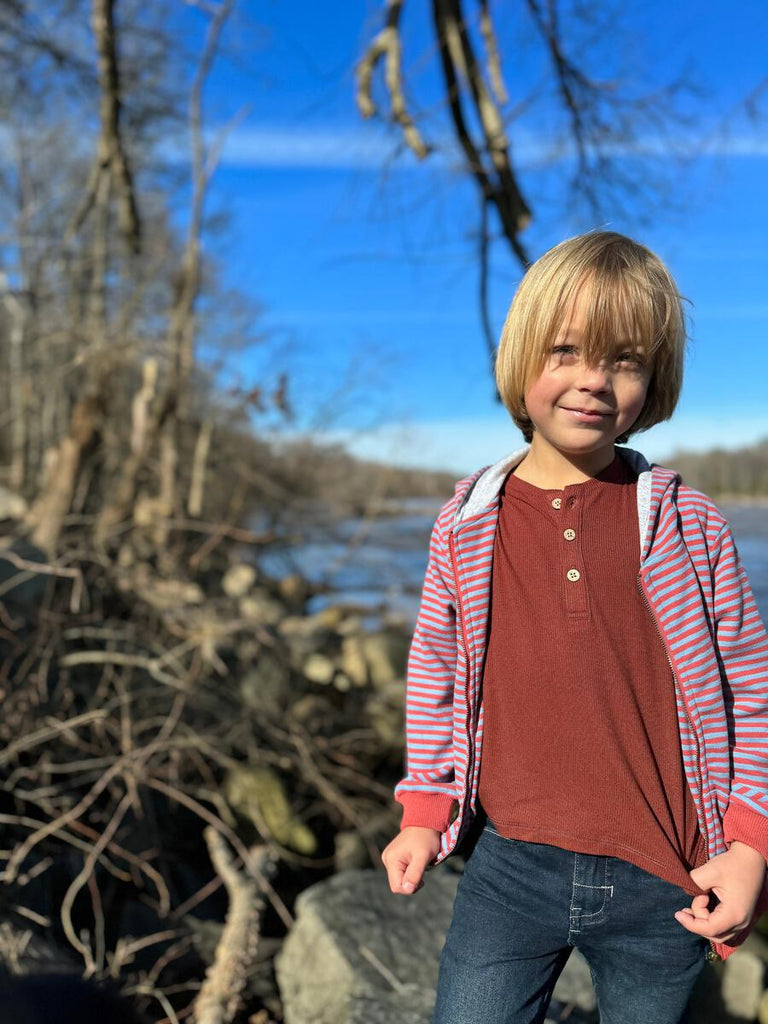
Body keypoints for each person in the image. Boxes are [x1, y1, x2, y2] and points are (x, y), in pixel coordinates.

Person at [380, 231, 768, 1024]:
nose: (594, 379)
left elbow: (751, 694)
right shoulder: (466, 524)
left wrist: (751, 846)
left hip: (665, 873)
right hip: (510, 868)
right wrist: (424, 812)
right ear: (521, 359)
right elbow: (436, 672)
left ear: (654, 380)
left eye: (624, 360)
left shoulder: (689, 525)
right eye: (566, 351)